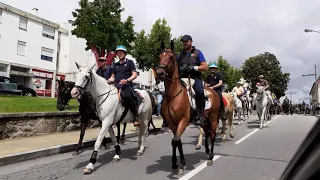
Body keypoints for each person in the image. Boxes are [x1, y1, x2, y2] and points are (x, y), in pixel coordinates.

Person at [177, 35, 208, 126]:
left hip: (195, 78)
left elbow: (205, 67)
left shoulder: (198, 53)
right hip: (182, 78)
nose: (184, 43)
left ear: (191, 42)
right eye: (183, 42)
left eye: (186, 41)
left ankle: (200, 115)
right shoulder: (180, 55)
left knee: (199, 91)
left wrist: (194, 67)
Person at [107, 45, 139, 117]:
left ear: (125, 53)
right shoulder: (115, 64)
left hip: (127, 86)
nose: (120, 54)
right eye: (118, 52)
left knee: (127, 96)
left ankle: (135, 115)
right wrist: (106, 81)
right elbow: (113, 77)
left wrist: (127, 80)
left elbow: (134, 75)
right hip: (116, 86)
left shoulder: (130, 62)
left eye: (121, 52)